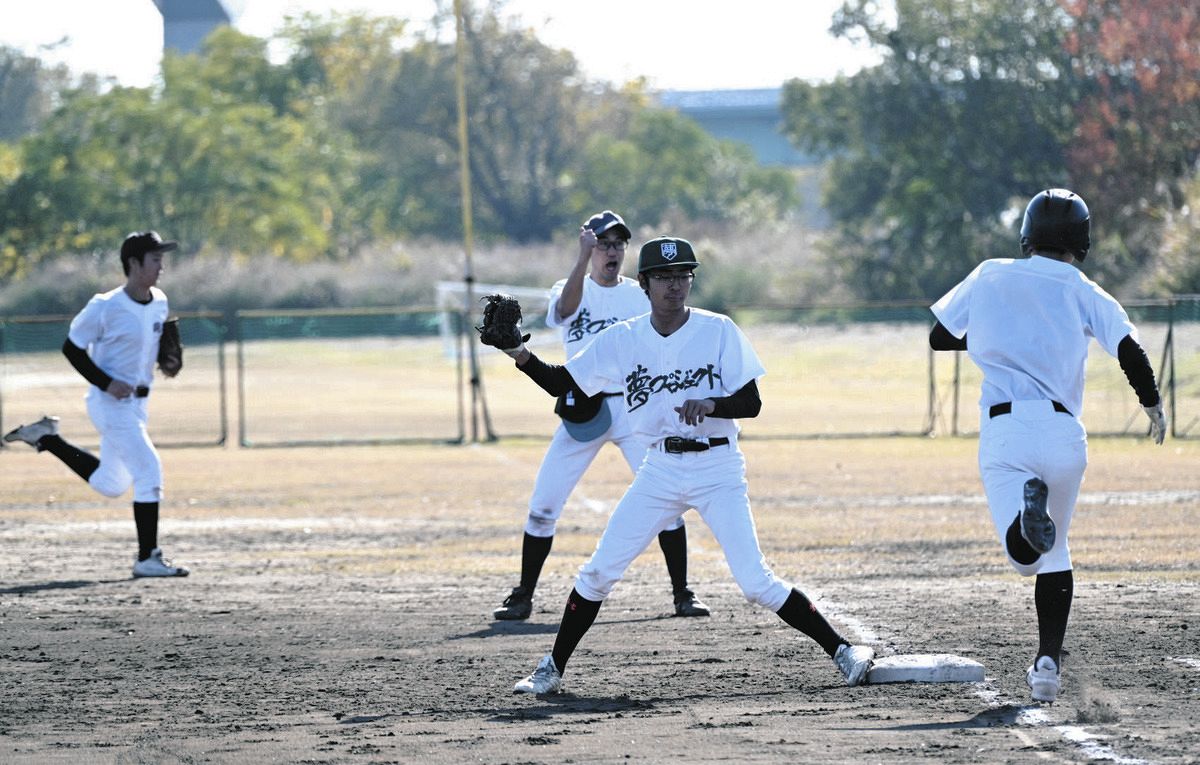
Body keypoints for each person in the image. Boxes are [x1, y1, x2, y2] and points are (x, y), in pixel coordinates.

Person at [481, 235, 876, 694]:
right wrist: (517, 352)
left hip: (718, 470)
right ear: (644, 284)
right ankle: (550, 669)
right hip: (660, 470)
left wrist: (711, 404)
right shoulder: (624, 339)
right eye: (664, 277)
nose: (675, 285)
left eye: (683, 275)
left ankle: (844, 651)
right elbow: (562, 384)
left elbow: (752, 402)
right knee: (598, 573)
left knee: (755, 582)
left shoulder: (718, 330)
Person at [929, 189, 1165, 703]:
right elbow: (1130, 347)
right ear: (1081, 240)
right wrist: (1152, 404)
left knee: (1024, 556)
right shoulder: (1084, 288)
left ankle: (1025, 515)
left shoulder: (991, 272)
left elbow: (939, 336)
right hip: (1064, 435)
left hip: (1007, 430)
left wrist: (1000, 336)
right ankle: (1047, 666)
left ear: (1027, 235)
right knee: (1055, 551)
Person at [492, 211, 710, 621]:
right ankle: (523, 595)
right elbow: (565, 310)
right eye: (603, 243)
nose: (611, 250)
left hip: (632, 407)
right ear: (590, 247)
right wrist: (581, 259)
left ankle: (682, 592)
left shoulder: (637, 294)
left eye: (618, 244)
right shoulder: (571, 286)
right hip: (581, 406)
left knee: (665, 497)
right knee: (543, 505)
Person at [3, 231, 190, 578]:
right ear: (133, 264)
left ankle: (46, 437)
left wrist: (168, 362)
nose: (161, 266)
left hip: (137, 406)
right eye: (154, 259)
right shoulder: (106, 305)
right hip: (108, 404)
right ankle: (147, 556)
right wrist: (105, 382)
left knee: (111, 483)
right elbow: (72, 348)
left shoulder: (160, 301)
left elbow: (157, 349)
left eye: (161, 259)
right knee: (149, 470)